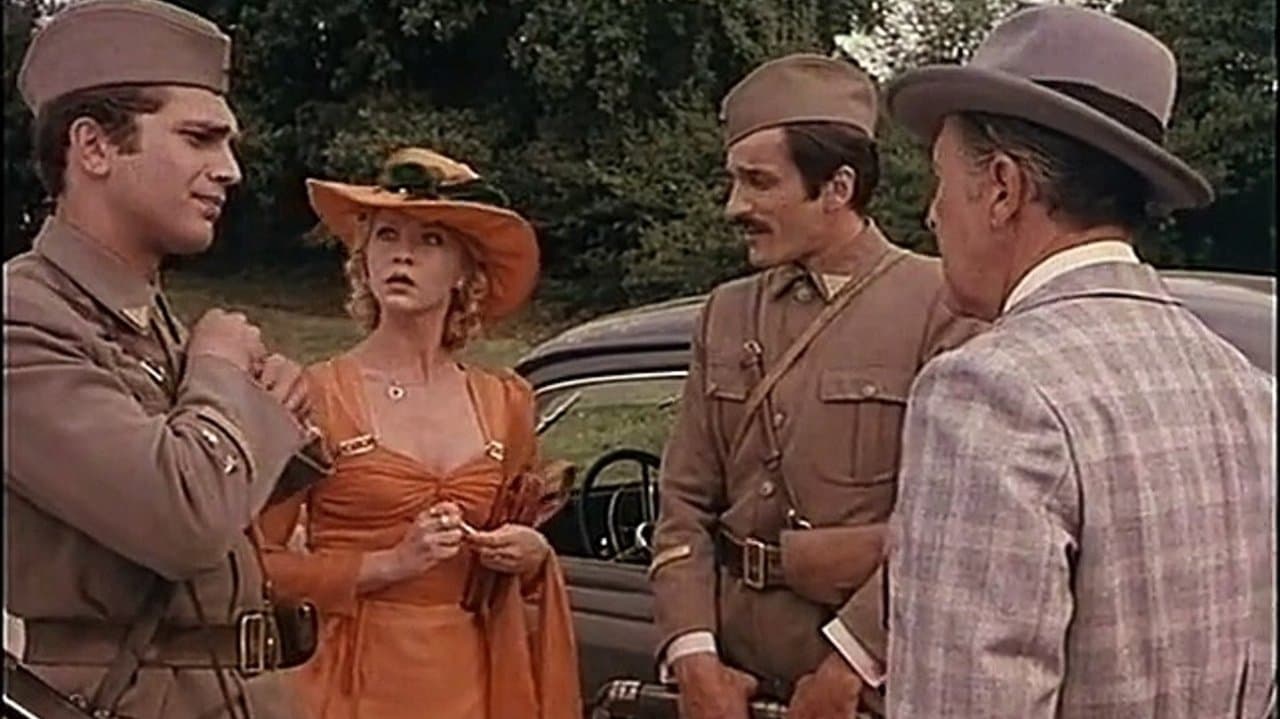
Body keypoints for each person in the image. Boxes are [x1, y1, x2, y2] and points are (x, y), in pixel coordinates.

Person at [882, 5, 1276, 718]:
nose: (931, 214)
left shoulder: (989, 391)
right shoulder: (1246, 388)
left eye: (940, 180)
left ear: (1003, 188)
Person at [3, 1, 330, 718]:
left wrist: (273, 406)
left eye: (227, 144)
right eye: (199, 138)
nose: (230, 170)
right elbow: (185, 522)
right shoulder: (21, 318)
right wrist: (220, 373)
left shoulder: (147, 317)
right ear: (93, 147)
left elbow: (227, 493)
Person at [648, 53, 983, 719]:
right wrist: (693, 657)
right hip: (732, 685)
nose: (734, 207)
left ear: (837, 187)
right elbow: (684, 501)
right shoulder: (725, 312)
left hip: (862, 693)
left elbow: (956, 526)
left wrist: (850, 665)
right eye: (733, 181)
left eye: (759, 182)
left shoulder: (941, 306)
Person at [255, 147, 582, 719]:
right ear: (364, 258)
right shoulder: (316, 396)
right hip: (349, 686)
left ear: (464, 272)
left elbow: (515, 549)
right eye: (386, 235)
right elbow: (256, 566)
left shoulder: (505, 401)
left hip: (471, 684)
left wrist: (532, 556)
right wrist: (387, 564)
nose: (402, 255)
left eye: (430, 240)